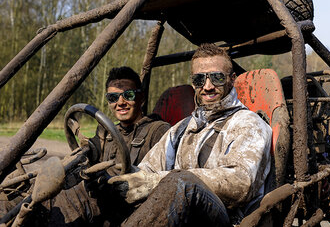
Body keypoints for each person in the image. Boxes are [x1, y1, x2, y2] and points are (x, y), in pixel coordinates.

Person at [108, 43, 273, 226]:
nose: (208, 86)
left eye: (217, 78)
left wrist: (159, 181)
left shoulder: (249, 123)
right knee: (99, 189)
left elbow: (241, 183)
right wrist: (113, 181)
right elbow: (147, 171)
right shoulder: (183, 127)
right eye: (199, 79)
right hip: (182, 214)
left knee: (182, 181)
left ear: (232, 79)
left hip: (230, 219)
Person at [0, 66, 170, 226]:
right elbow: (88, 153)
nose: (121, 102)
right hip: (92, 197)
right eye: (113, 98)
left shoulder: (158, 131)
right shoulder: (106, 131)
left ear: (142, 98)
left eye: (129, 95)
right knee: (22, 202)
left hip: (121, 209)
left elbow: (160, 180)